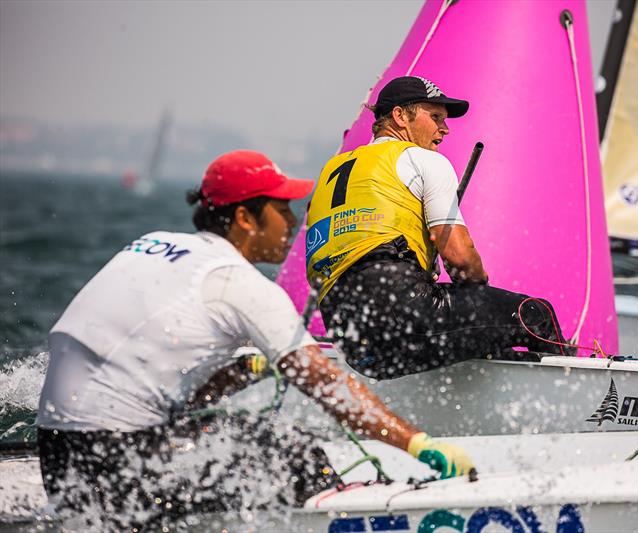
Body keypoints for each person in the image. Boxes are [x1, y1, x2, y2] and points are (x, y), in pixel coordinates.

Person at [36, 149, 474, 530]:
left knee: (229, 432)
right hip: (121, 464)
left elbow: (156, 365)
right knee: (292, 451)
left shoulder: (153, 244)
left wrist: (245, 369)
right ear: (245, 218)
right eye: (281, 209)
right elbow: (328, 387)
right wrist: (419, 444)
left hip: (58, 458)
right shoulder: (243, 286)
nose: (292, 221)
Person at [306, 76, 569, 381]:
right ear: (400, 116)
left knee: (475, 336)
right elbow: (460, 257)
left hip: (346, 330)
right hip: (403, 309)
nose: (444, 129)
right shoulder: (423, 160)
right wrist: (473, 281)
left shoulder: (330, 169)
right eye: (435, 117)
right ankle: (578, 396)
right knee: (532, 313)